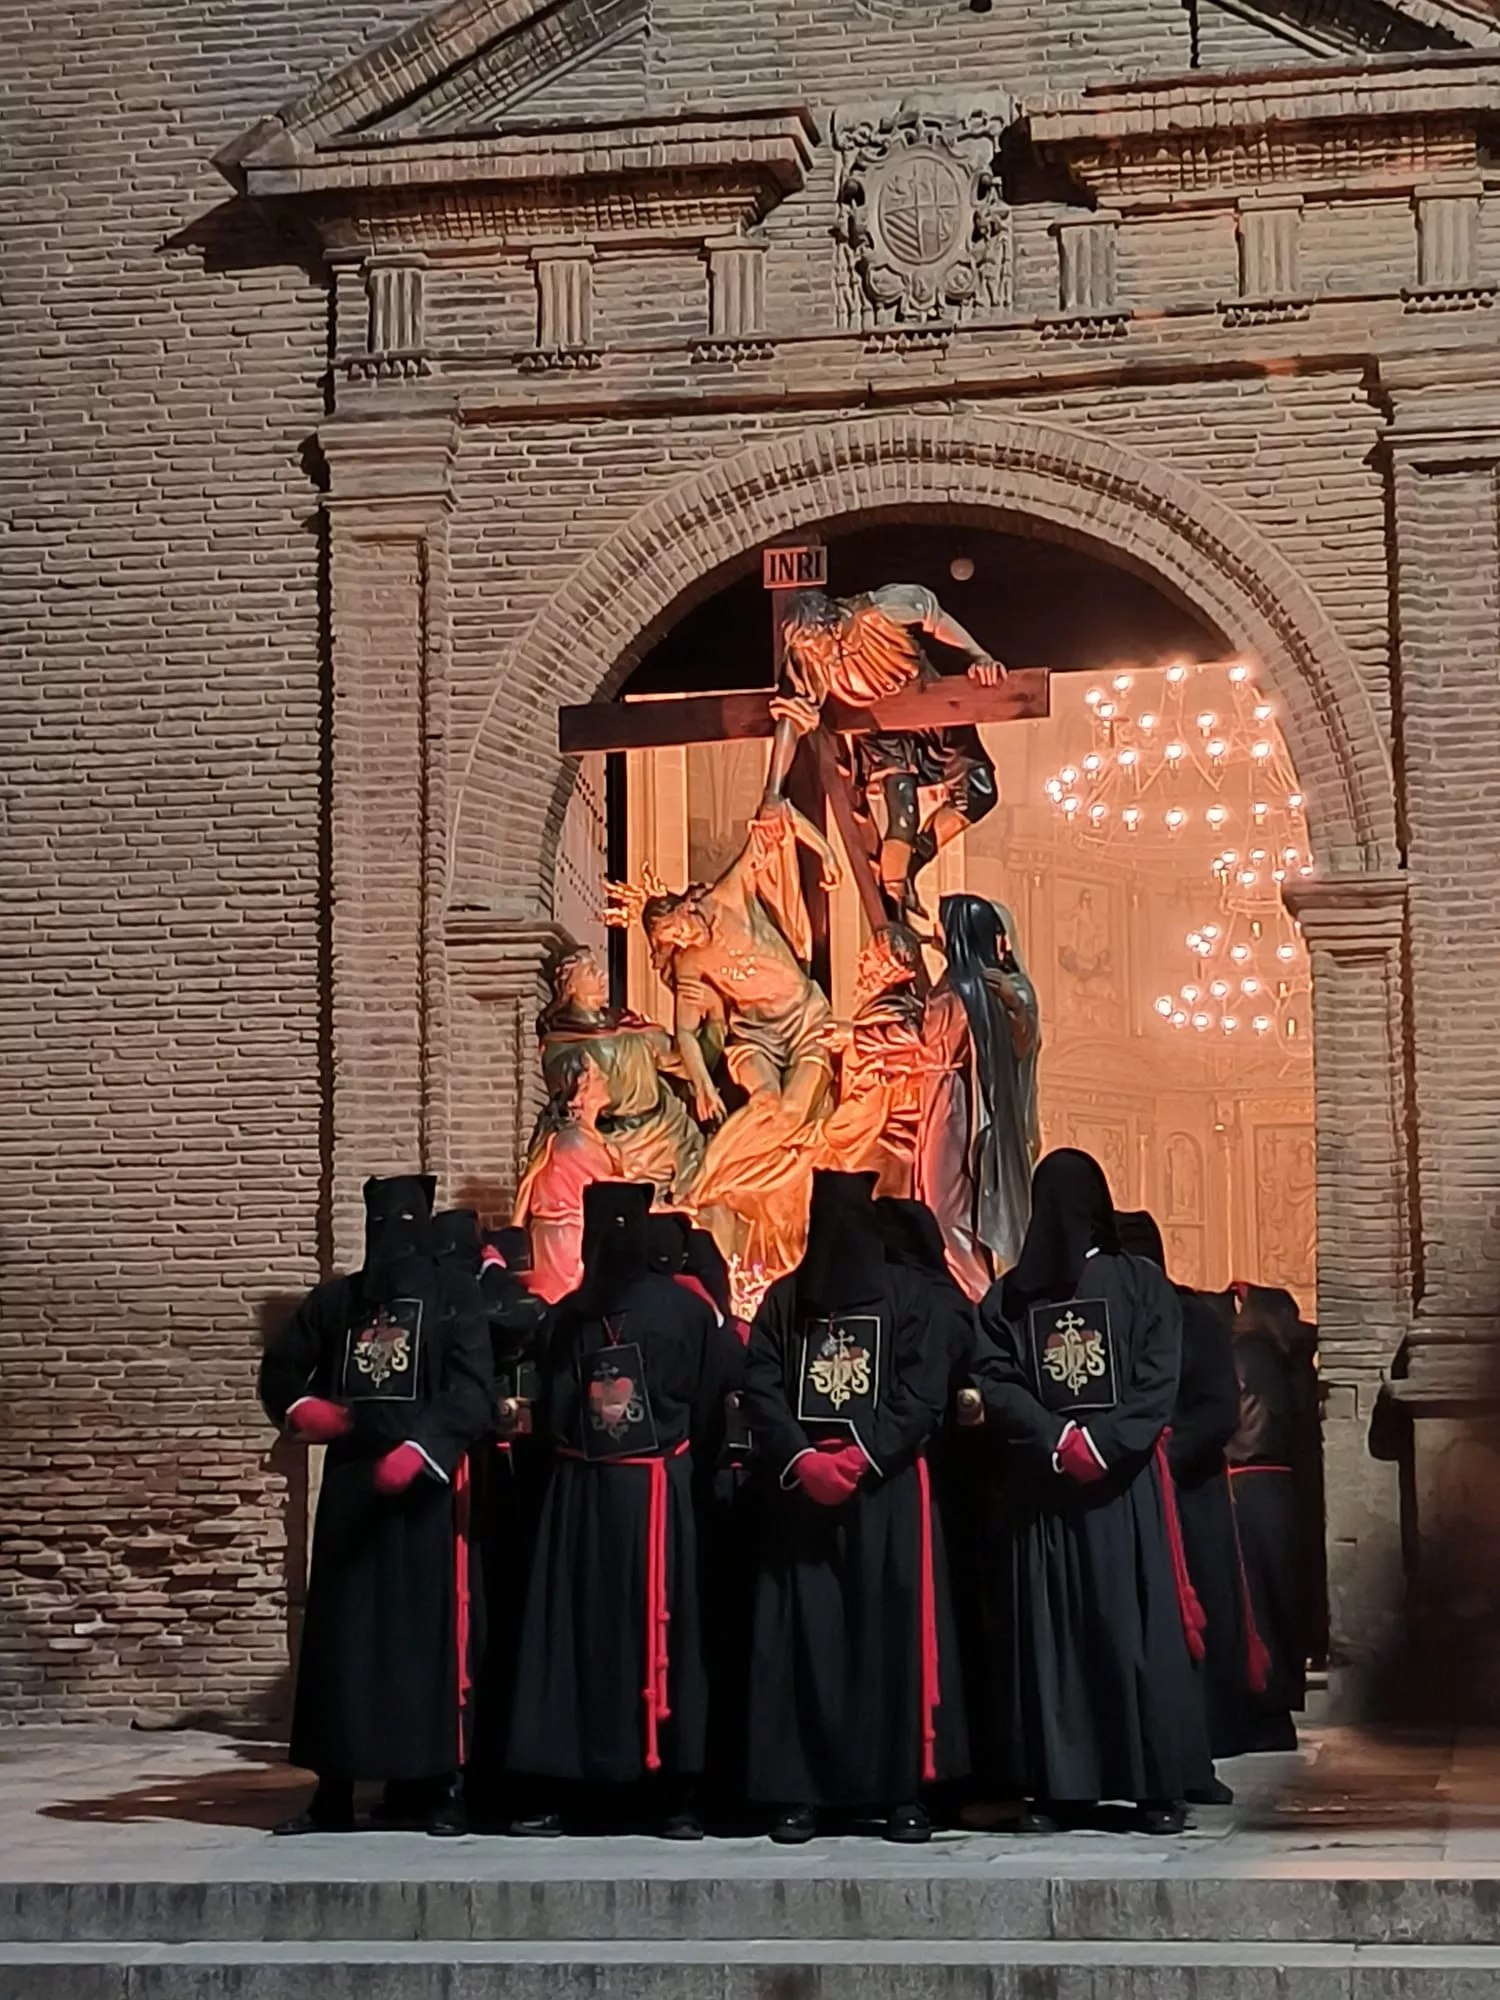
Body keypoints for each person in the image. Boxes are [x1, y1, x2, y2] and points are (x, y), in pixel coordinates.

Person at [970, 1150, 1208, 1835]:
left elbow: (1156, 1380)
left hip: (1117, 1489)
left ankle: (1150, 1785)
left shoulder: (1138, 1284)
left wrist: (1094, 1443)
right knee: (1058, 1640)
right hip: (1052, 1491)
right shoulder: (1011, 1298)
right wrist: (1059, 1439)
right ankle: (1062, 1788)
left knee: (1121, 1636)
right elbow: (995, 1376)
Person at [506, 1182, 744, 1837]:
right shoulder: (686, 1313)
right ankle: (669, 1798)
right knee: (621, 1637)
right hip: (649, 1489)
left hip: (600, 1495)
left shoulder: (565, 1315)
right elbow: (713, 1403)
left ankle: (612, 1789)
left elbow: (551, 1410)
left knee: (600, 1639)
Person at [259, 1174, 494, 1837]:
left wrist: (422, 1449)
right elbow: (280, 1367)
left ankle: (441, 1784)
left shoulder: (455, 1298)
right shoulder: (339, 1301)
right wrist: (306, 1408)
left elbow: (472, 1393)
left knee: (425, 1641)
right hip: (353, 1489)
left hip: (423, 1492)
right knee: (344, 1644)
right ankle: (331, 1790)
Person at [741, 1170, 970, 1843]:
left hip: (885, 1491)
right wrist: (802, 1459)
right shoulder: (785, 1301)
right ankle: (801, 1793)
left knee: (889, 1641)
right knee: (803, 1645)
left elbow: (921, 1392)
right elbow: (760, 1384)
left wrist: (863, 1457)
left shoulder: (907, 1298)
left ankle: (900, 1794)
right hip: (803, 1493)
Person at [1115, 1210, 1263, 1787]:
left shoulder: (1195, 1318)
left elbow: (1218, 1410)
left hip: (1187, 1489)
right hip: (1133, 1486)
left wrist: (1158, 1463)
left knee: (1199, 1616)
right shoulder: (1115, 1318)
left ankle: (1206, 1735)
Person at [762, 583, 1005, 919]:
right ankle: (894, 909)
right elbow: (791, 718)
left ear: (832, 627)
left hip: (928, 706)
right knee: (902, 811)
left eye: (816, 646)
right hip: (879, 730)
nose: (814, 656)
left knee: (980, 791)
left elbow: (936, 617)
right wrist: (772, 791)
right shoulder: (807, 654)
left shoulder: (881, 610)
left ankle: (911, 864)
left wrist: (979, 656)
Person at [916, 895, 1040, 1300]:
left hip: (956, 1105)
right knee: (941, 1202)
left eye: (943, 927)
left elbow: (935, 1045)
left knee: (945, 1205)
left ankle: (976, 1295)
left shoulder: (970, 988)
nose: (936, 934)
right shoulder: (962, 983)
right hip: (942, 1097)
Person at [1223, 1283, 1322, 1751]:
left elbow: (1233, 1423)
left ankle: (1263, 1708)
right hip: (1281, 1484)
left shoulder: (1244, 1354)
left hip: (1246, 1483)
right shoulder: (1289, 1359)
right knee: (1280, 1600)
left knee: (1255, 1603)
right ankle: (1278, 1706)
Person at [534, 944, 704, 1202]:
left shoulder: (629, 1025)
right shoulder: (561, 1044)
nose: (603, 977)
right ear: (570, 986)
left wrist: (702, 1017)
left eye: (599, 969)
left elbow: (681, 1059)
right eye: (591, 972)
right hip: (622, 1147)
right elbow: (574, 1100)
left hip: (671, 1129)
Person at [512, 1044, 622, 1302]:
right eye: (596, 1076)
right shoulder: (573, 1144)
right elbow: (616, 1195)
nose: (605, 1078)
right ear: (579, 1093)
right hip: (566, 1252)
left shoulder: (587, 1137)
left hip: (580, 1242)